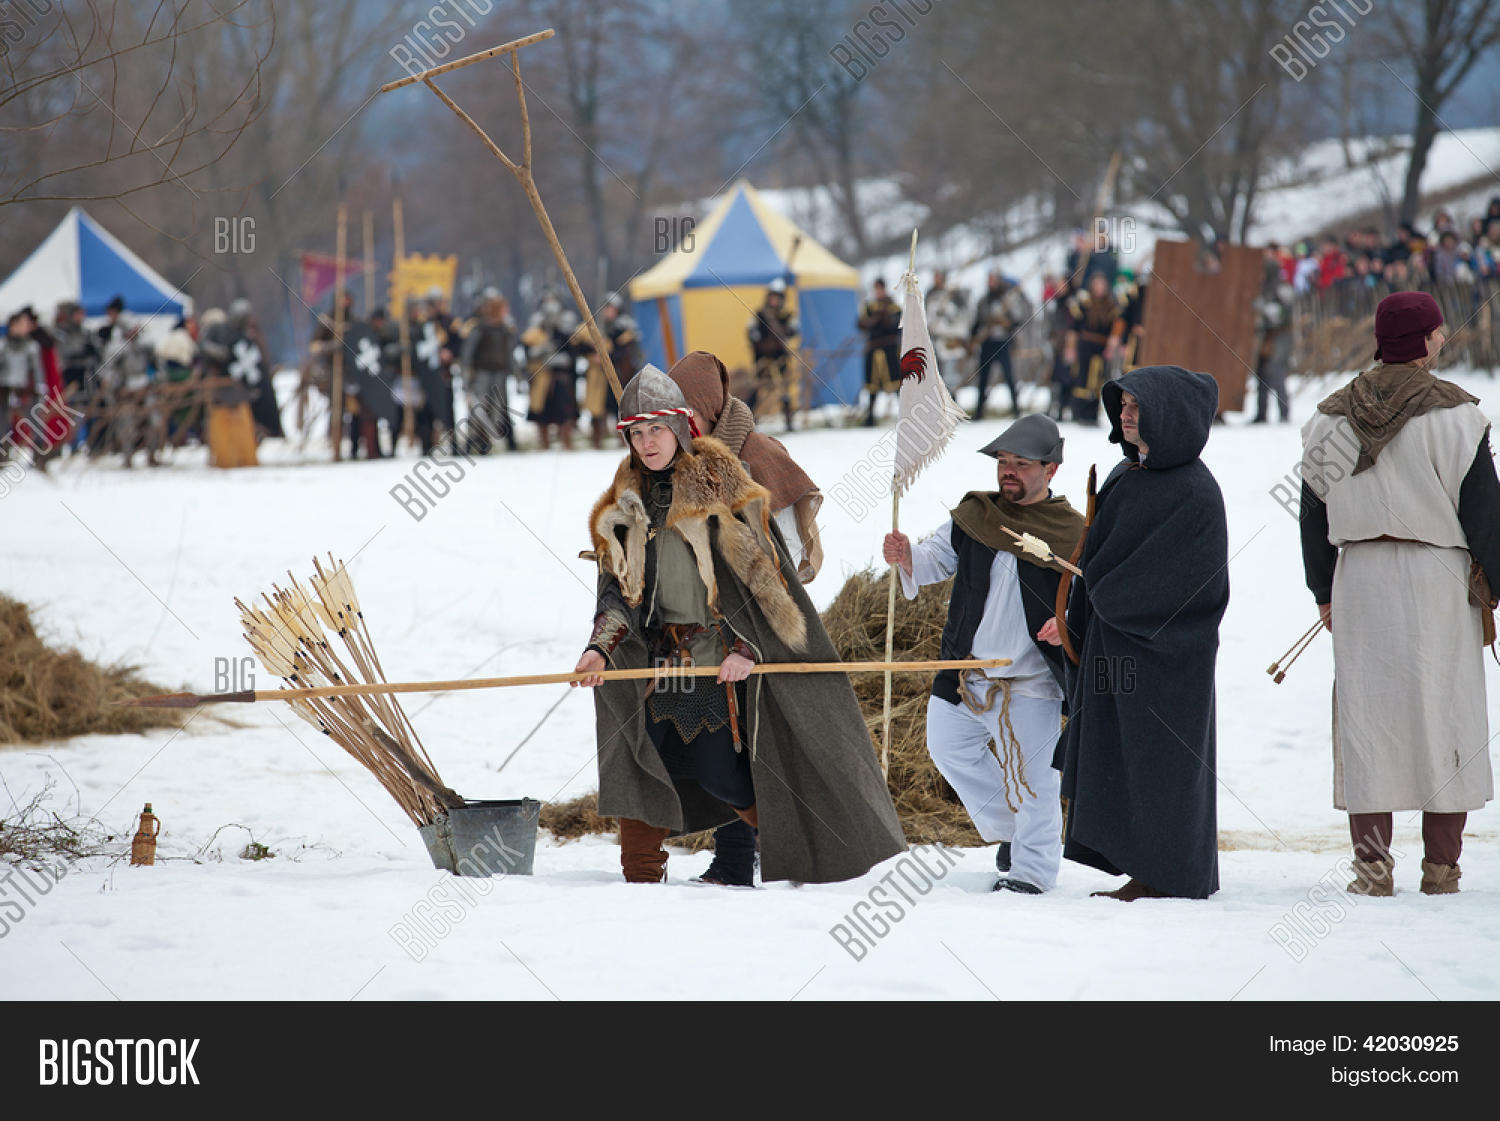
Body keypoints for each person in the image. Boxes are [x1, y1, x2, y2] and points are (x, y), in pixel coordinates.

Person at [571, 366, 906, 885]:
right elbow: (617, 594)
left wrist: (747, 649)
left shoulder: (720, 490)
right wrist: (600, 648)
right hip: (651, 660)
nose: (646, 442)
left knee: (720, 772)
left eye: (655, 429)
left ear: (681, 426)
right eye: (636, 433)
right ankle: (638, 883)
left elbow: (766, 586)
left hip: (712, 657)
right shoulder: (624, 508)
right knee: (640, 758)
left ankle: (809, 850)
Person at [1299, 291, 1499, 896]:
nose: (1443, 342)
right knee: (1447, 718)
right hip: (1438, 580)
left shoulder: (1330, 417)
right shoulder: (1457, 416)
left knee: (1369, 721)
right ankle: (1440, 868)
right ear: (1425, 341)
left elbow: (1312, 515)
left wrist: (1322, 591)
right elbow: (1485, 515)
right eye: (1438, 334)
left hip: (1358, 580)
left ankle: (1372, 868)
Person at [1049, 365, 1229, 900]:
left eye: (1136, 408)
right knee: (1115, 753)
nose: (1125, 416)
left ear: (1166, 415)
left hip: (1169, 659)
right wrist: (1074, 622)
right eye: (1122, 406)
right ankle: (1134, 862)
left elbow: (1195, 585)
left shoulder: (1197, 492)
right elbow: (1098, 560)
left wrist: (1110, 596)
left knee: (1161, 760)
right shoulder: (1126, 477)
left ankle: (1167, 872)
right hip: (1113, 648)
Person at [883, 415, 1083, 893]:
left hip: (1030, 678)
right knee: (948, 748)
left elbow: (1094, 595)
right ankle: (1015, 832)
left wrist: (1072, 625)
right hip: (965, 672)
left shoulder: (1074, 531)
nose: (1008, 471)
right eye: (1003, 462)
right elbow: (933, 561)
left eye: (1021, 463)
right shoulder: (977, 515)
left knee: (1033, 780)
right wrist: (907, 552)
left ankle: (1031, 873)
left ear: (1051, 470)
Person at [668, 349, 828, 885]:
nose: (682, 425)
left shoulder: (759, 456)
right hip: (714, 627)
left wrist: (755, 629)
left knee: (764, 741)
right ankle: (736, 856)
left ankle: (795, 850)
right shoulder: (684, 464)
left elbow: (779, 553)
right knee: (728, 743)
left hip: (771, 623)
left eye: (688, 413)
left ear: (711, 409)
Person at [460, 288, 519, 454]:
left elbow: (509, 353)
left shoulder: (505, 329)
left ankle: (490, 442)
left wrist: (517, 373)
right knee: (478, 409)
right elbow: (468, 355)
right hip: (482, 374)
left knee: (497, 410)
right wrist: (466, 377)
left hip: (499, 374)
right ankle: (471, 442)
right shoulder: (479, 328)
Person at [1062, 271, 1125, 426]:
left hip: (1101, 346)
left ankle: (1092, 413)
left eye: (1102, 284)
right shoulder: (1084, 304)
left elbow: (1117, 327)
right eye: (1097, 284)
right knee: (1082, 377)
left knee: (1097, 378)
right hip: (1085, 345)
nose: (1099, 288)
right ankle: (1079, 412)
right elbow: (1074, 329)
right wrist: (1070, 347)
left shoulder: (1110, 305)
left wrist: (1112, 346)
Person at [523, 290, 581, 450]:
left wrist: (554, 359)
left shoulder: (564, 333)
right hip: (541, 378)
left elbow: (571, 356)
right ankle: (544, 444)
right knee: (541, 413)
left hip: (559, 378)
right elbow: (527, 353)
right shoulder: (535, 333)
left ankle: (566, 443)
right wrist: (542, 350)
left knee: (564, 413)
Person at [968, 272, 1031, 419]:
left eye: (993, 281)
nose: (991, 284)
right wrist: (973, 338)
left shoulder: (1008, 300)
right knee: (983, 378)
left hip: (1003, 342)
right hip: (987, 343)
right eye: (989, 281)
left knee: (1009, 377)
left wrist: (1005, 323)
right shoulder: (984, 301)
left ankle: (1016, 409)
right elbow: (977, 322)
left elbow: (1017, 321)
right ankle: (979, 411)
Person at [747, 279, 800, 432]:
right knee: (757, 390)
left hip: (779, 358)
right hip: (763, 358)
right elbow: (752, 333)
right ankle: (750, 422)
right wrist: (760, 342)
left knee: (784, 390)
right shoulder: (760, 314)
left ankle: (789, 422)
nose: (774, 300)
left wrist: (780, 330)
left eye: (777, 297)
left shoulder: (788, 315)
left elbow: (793, 331)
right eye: (772, 297)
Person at [1252, 250, 1294, 424]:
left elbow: (1285, 313)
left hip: (1281, 335)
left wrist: (1266, 309)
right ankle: (1261, 414)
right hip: (1267, 335)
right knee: (1261, 373)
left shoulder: (1282, 288)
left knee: (1276, 372)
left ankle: (1283, 413)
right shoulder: (1262, 288)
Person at [858, 278, 901, 427]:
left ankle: (904, 414)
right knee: (872, 385)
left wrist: (883, 316)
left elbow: (896, 325)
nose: (878, 292)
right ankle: (870, 417)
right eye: (876, 289)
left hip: (889, 348)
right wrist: (873, 319)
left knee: (896, 381)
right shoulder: (870, 307)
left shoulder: (893, 306)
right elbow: (862, 324)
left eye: (880, 289)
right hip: (873, 348)